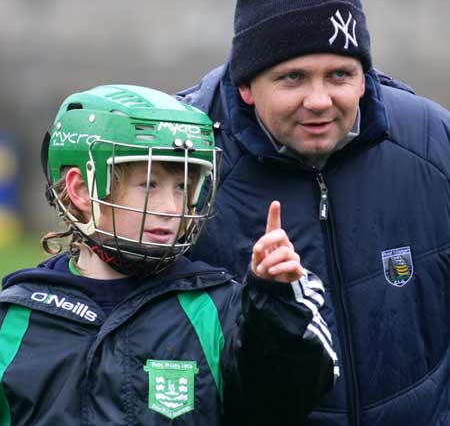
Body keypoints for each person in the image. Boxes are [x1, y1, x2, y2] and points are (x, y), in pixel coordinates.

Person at [176, 0, 450, 424]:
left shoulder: (433, 143)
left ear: (365, 77)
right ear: (245, 85)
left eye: (340, 74)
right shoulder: (185, 166)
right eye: (293, 78)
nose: (320, 100)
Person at [0, 84, 335, 426]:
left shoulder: (219, 308)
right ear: (82, 190)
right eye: (149, 184)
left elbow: (285, 400)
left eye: (183, 187)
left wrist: (276, 305)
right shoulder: (14, 318)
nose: (171, 208)